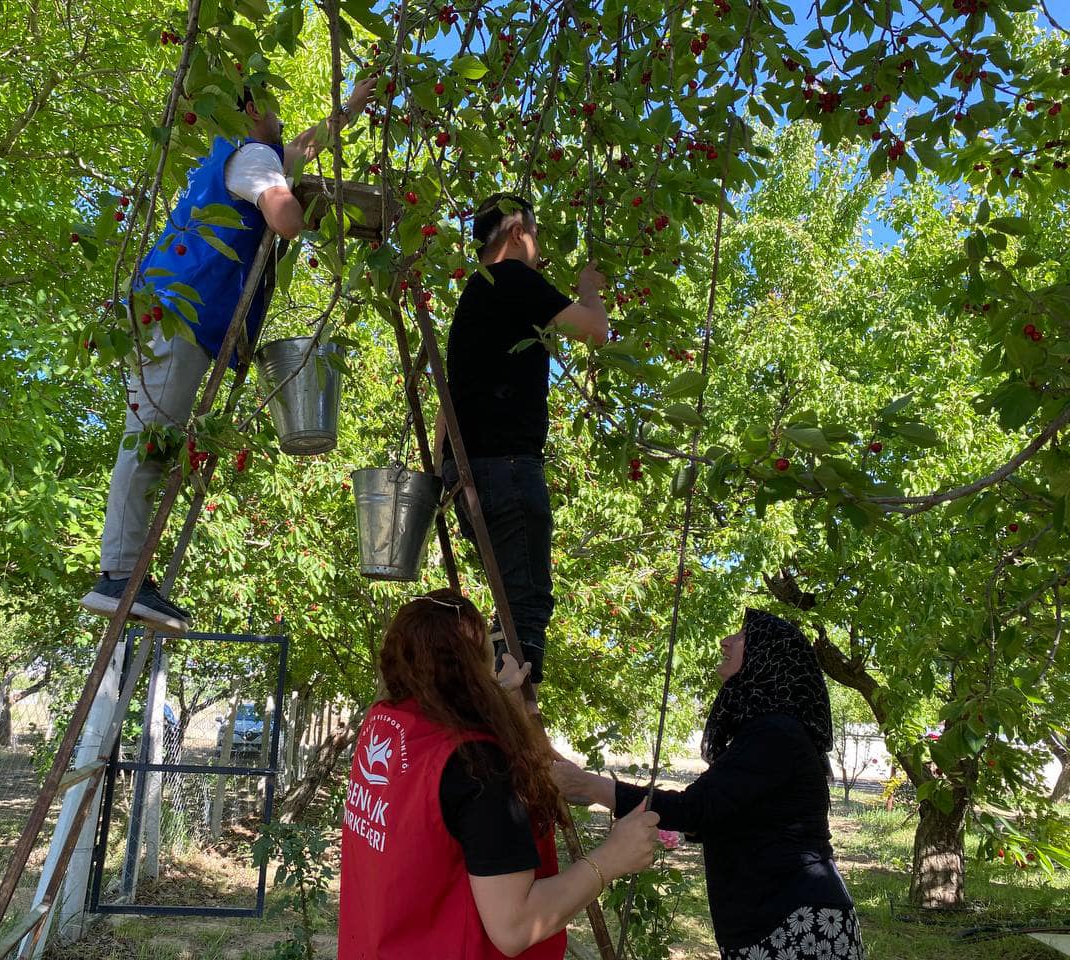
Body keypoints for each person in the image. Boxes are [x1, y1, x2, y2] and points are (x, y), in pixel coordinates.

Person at [81, 77, 378, 631]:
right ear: (249, 110)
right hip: (178, 315)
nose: (282, 116)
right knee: (148, 439)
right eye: (274, 105)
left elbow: (305, 147)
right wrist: (329, 218)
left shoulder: (238, 159)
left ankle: (124, 573)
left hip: (169, 313)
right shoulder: (250, 155)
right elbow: (285, 218)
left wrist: (351, 109)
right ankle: (118, 575)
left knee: (153, 434)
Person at [338, 589, 660, 959]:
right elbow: (515, 925)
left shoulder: (386, 722)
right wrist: (611, 858)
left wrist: (502, 705)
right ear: (472, 668)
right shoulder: (476, 764)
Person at [552, 609, 866, 960]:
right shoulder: (770, 732)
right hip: (782, 920)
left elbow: (694, 810)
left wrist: (588, 786)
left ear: (769, 658)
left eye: (743, 635)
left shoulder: (777, 734)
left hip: (797, 925)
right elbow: (717, 812)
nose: (726, 641)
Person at [436, 194, 609, 686]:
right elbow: (596, 330)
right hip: (507, 467)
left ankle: (500, 697)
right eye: (535, 235)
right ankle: (513, 730)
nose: (538, 249)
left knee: (511, 602)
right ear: (516, 232)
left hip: (467, 470)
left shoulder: (476, 292)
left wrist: (440, 464)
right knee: (526, 607)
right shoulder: (512, 278)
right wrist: (588, 290)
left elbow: (447, 399)